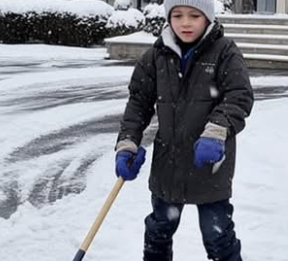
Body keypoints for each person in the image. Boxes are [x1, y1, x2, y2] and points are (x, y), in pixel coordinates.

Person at [114, 0, 254, 260]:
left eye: (194, 15)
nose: (185, 22)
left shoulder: (224, 51)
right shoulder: (156, 56)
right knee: (158, 229)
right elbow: (138, 104)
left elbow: (238, 96)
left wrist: (217, 130)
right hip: (169, 163)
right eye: (177, 15)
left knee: (218, 235)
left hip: (211, 164)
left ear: (207, 17)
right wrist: (127, 143)